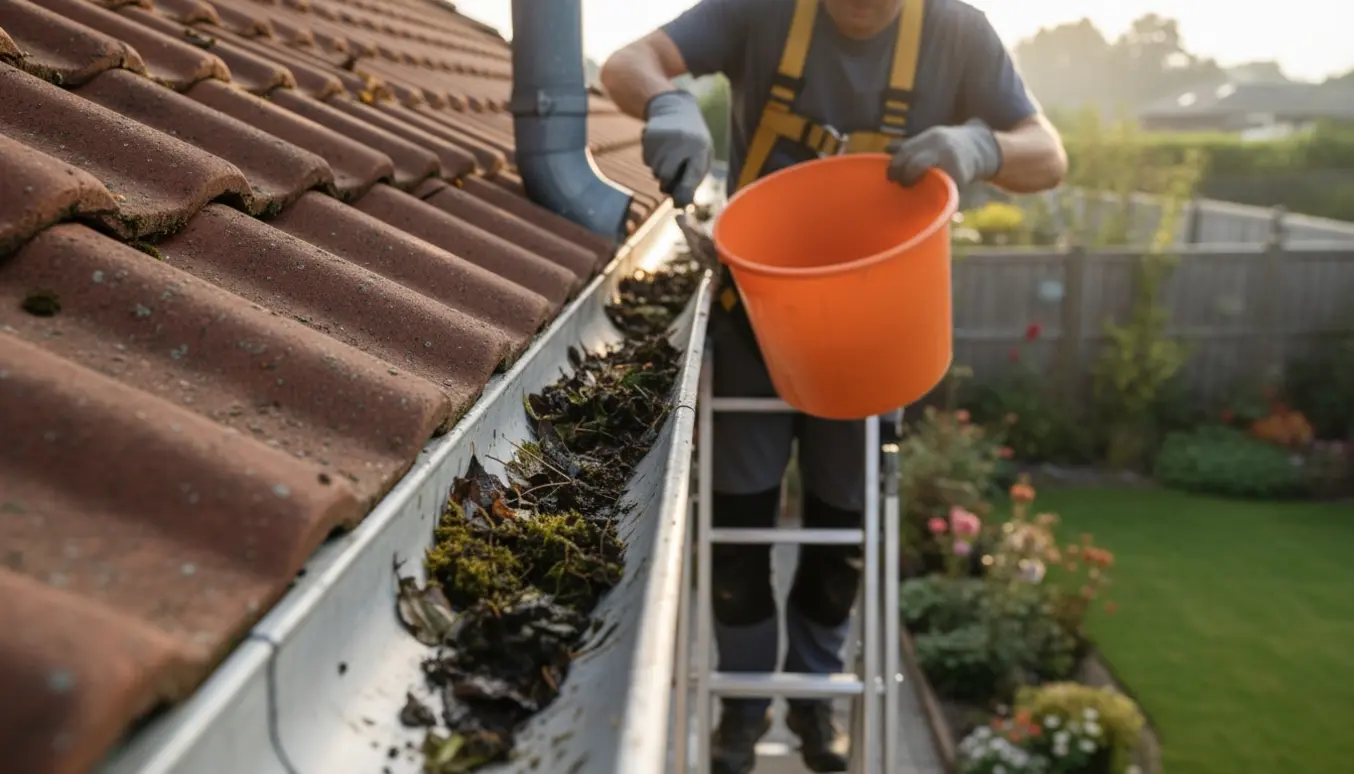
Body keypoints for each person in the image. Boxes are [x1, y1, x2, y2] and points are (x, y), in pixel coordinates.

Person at [601, 1, 1066, 772]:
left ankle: (815, 699)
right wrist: (666, 101)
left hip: (873, 338)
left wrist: (982, 145)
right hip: (757, 321)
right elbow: (628, 63)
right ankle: (744, 706)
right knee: (738, 536)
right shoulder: (763, 11)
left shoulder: (955, 31)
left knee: (841, 535)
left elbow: (1048, 156)